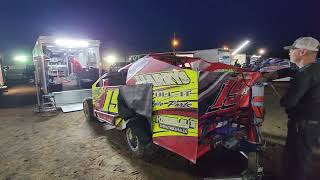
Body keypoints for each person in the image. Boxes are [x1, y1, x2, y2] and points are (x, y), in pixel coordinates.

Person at [260, 37, 320, 180]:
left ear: (303, 52)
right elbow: (290, 70)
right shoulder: (314, 69)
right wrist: (272, 75)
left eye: (292, 49)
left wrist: (283, 98)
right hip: (313, 123)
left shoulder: (304, 74)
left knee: (297, 162)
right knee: (301, 157)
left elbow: (289, 102)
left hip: (302, 124)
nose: (289, 53)